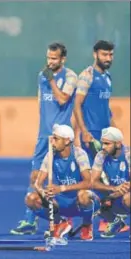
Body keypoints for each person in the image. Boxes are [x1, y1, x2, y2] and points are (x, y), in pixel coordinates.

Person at [10, 42, 78, 235]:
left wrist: (52, 82)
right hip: (44, 136)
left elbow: (63, 99)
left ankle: (63, 220)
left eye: (54, 58)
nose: (50, 61)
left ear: (63, 59)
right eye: (48, 57)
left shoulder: (71, 76)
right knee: (35, 177)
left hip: (61, 137)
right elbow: (41, 104)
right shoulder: (42, 76)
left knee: (57, 179)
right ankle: (30, 221)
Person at [74, 40, 129, 232]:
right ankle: (105, 220)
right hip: (92, 135)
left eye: (111, 55)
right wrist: (84, 131)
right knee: (96, 179)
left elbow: (106, 108)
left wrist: (116, 132)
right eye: (105, 54)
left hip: (107, 136)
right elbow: (77, 104)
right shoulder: (87, 76)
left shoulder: (108, 77)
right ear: (95, 54)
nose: (108, 58)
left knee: (110, 178)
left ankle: (112, 217)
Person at [26, 124, 99, 241]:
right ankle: (60, 222)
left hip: (79, 201)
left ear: (66, 141)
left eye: (56, 139)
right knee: (31, 199)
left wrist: (62, 188)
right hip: (61, 202)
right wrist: (44, 192)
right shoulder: (50, 156)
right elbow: (37, 184)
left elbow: (88, 182)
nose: (52, 142)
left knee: (84, 195)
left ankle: (86, 224)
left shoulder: (79, 154)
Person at [91, 127, 130, 238]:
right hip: (114, 193)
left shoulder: (128, 154)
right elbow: (93, 182)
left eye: (107, 144)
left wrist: (118, 192)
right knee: (91, 197)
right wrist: (112, 190)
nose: (103, 147)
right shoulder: (101, 155)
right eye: (102, 143)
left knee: (128, 198)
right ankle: (116, 223)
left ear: (118, 144)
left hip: (126, 194)